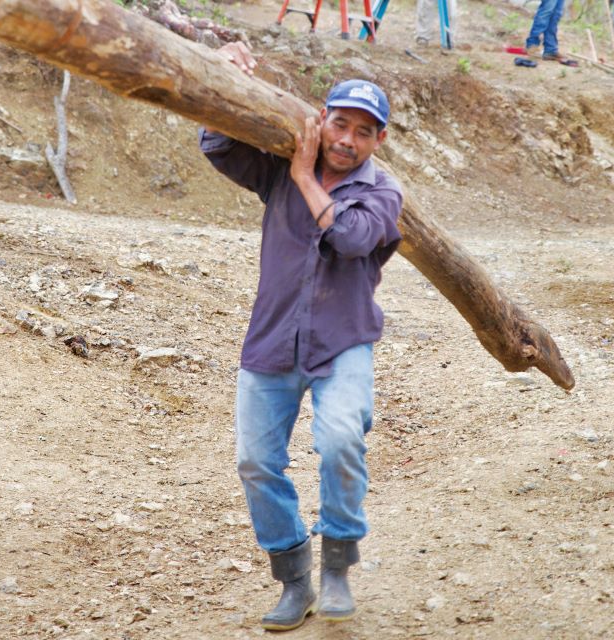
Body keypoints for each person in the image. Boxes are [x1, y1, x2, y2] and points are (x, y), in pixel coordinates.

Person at [199, 42, 403, 631]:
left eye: (363, 132)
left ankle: (338, 561)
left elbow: (352, 239)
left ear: (377, 141)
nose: (347, 139)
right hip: (271, 342)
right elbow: (217, 144)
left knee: (341, 439)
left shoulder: (382, 192)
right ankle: (294, 579)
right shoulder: (280, 167)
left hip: (342, 345)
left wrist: (302, 178)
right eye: (340, 123)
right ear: (323, 120)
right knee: (256, 462)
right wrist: (223, 79)